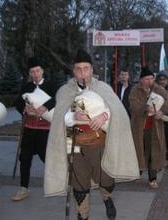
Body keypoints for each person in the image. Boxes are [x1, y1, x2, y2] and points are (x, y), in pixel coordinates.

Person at [44, 49, 139, 220]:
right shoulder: (65, 91)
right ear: (73, 71)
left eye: (86, 68)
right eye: (78, 69)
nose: (82, 73)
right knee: (79, 183)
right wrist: (72, 116)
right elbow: (58, 118)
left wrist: (104, 117)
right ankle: (83, 214)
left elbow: (117, 112)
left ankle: (107, 199)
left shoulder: (103, 88)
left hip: (99, 143)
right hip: (75, 145)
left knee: (105, 179)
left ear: (92, 69)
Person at [12, 57, 56, 201]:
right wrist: (24, 109)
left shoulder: (51, 85)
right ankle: (23, 188)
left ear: (42, 71)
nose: (36, 74)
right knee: (24, 158)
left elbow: (58, 98)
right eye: (32, 72)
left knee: (47, 158)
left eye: (38, 71)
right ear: (30, 73)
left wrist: (46, 106)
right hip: (29, 128)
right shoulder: (26, 87)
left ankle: (57, 182)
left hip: (45, 129)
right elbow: (18, 102)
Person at [129, 67, 168, 188]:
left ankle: (152, 178)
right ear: (141, 80)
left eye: (151, 78)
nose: (150, 81)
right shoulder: (135, 90)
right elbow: (133, 106)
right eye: (147, 78)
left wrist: (161, 112)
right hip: (139, 128)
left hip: (155, 127)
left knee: (154, 151)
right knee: (140, 151)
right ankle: (137, 173)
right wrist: (145, 108)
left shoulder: (159, 89)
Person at [156, 70, 168, 169]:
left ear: (167, 80)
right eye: (160, 79)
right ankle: (159, 162)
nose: (162, 81)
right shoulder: (155, 90)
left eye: (164, 79)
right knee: (159, 142)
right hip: (158, 119)